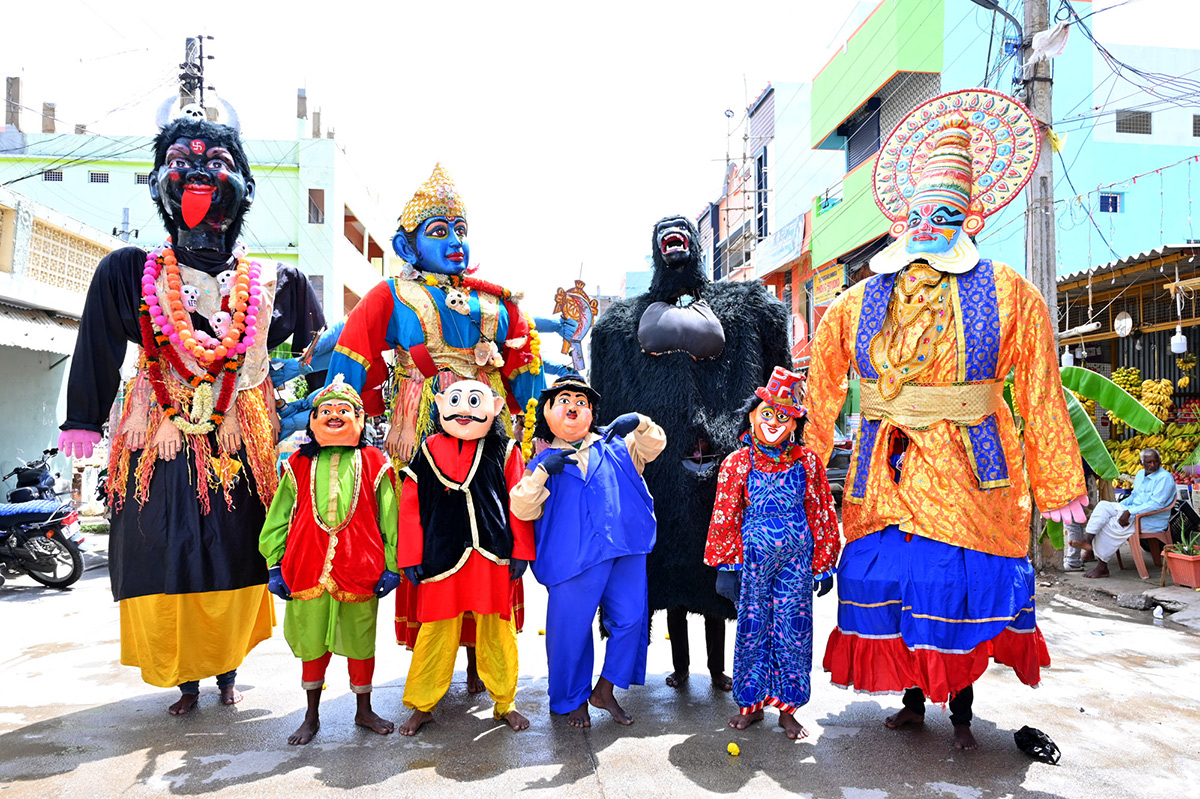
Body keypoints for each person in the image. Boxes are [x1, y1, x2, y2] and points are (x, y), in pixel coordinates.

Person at [805, 90, 1086, 751]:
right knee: (899, 583)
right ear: (903, 217)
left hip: (972, 469)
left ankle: (959, 709)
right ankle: (911, 698)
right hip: (886, 470)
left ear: (971, 217)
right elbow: (821, 386)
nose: (930, 225)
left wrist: (1058, 477)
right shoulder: (853, 302)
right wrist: (804, 463)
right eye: (921, 213)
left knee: (960, 586)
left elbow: (1042, 389)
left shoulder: (1013, 293)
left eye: (947, 213)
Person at [58, 113, 324, 714]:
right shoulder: (128, 272)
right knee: (163, 547)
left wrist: (322, 426)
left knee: (236, 548)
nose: (199, 171)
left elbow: (317, 361)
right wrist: (83, 417)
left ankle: (227, 670)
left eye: (218, 163)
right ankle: (184, 680)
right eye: (181, 160)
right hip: (160, 436)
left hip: (239, 438)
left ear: (246, 191)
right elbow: (98, 342)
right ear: (158, 183)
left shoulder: (278, 282)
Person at [326, 164, 545, 693]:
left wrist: (535, 426)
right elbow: (352, 355)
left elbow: (525, 370)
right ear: (407, 242)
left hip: (490, 436)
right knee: (429, 533)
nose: (454, 243)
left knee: (488, 530)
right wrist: (337, 423)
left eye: (460, 231)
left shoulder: (496, 301)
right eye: (439, 231)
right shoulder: (390, 294)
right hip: (419, 424)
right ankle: (434, 662)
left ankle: (481, 663)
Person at [589, 215, 791, 693]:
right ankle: (679, 668)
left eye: (682, 234)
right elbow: (603, 395)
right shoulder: (620, 324)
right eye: (664, 235)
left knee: (714, 575)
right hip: (656, 473)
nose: (673, 241)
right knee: (671, 573)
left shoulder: (742, 308)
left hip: (720, 471)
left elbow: (776, 361)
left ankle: (718, 670)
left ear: (696, 246)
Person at [510, 374, 664, 727]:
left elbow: (655, 445)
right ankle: (570, 699)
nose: (573, 407)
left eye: (581, 402)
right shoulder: (542, 462)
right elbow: (522, 508)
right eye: (564, 400)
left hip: (624, 549)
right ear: (548, 412)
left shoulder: (617, 446)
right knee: (570, 632)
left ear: (592, 412)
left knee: (630, 619)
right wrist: (540, 474)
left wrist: (639, 421)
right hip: (572, 560)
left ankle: (605, 688)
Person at [259, 377, 401, 744]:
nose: (334, 415)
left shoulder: (375, 461)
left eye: (343, 411)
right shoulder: (296, 464)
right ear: (313, 421)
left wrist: (393, 563)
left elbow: (391, 516)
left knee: (360, 639)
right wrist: (274, 564)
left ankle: (364, 710)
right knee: (312, 642)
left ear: (359, 419)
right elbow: (278, 516)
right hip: (306, 566)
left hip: (362, 567)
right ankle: (311, 715)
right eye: (326, 411)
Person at [704, 368, 839, 740]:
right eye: (767, 413)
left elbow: (821, 509)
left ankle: (788, 709)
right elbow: (725, 514)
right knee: (753, 629)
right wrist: (725, 567)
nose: (775, 422)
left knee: (793, 632)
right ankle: (751, 705)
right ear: (752, 416)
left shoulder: (808, 462)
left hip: (797, 561)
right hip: (752, 561)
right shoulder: (736, 463)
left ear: (795, 424)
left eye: (784, 416)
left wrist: (824, 563)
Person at [396, 379, 534, 735]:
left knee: (496, 631)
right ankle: (422, 704)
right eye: (455, 400)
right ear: (441, 405)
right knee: (435, 631)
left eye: (474, 401)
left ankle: (505, 702)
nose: (464, 409)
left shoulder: (506, 449)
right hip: (440, 559)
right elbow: (409, 507)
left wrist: (521, 550)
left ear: (495, 407)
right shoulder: (426, 451)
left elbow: (519, 505)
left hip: (491, 557)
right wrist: (410, 556)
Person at [1070, 448, 1176, 578]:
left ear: (1160, 461)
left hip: (1151, 519)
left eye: (1156, 462)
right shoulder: (1141, 474)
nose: (1152, 465)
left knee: (1111, 524)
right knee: (1103, 506)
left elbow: (1156, 504)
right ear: (1141, 462)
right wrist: (1121, 507)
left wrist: (1128, 512)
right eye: (1148, 462)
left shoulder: (1165, 478)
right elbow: (1134, 497)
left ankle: (1102, 566)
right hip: (1135, 513)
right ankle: (1088, 539)